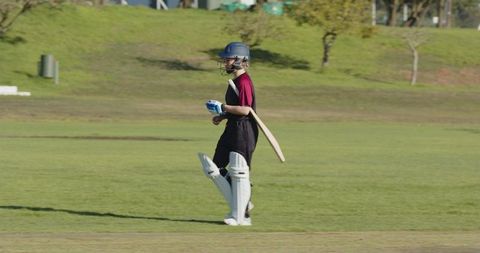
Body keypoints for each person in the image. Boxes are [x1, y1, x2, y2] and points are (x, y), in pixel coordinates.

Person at [198, 42, 258, 226]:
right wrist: (223, 116)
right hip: (232, 128)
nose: (225, 63)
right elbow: (236, 109)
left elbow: (246, 109)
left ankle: (240, 216)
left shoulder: (245, 81)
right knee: (214, 169)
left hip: (244, 131)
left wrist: (222, 107)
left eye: (228, 59)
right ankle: (243, 204)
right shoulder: (234, 81)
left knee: (239, 171)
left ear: (240, 60)